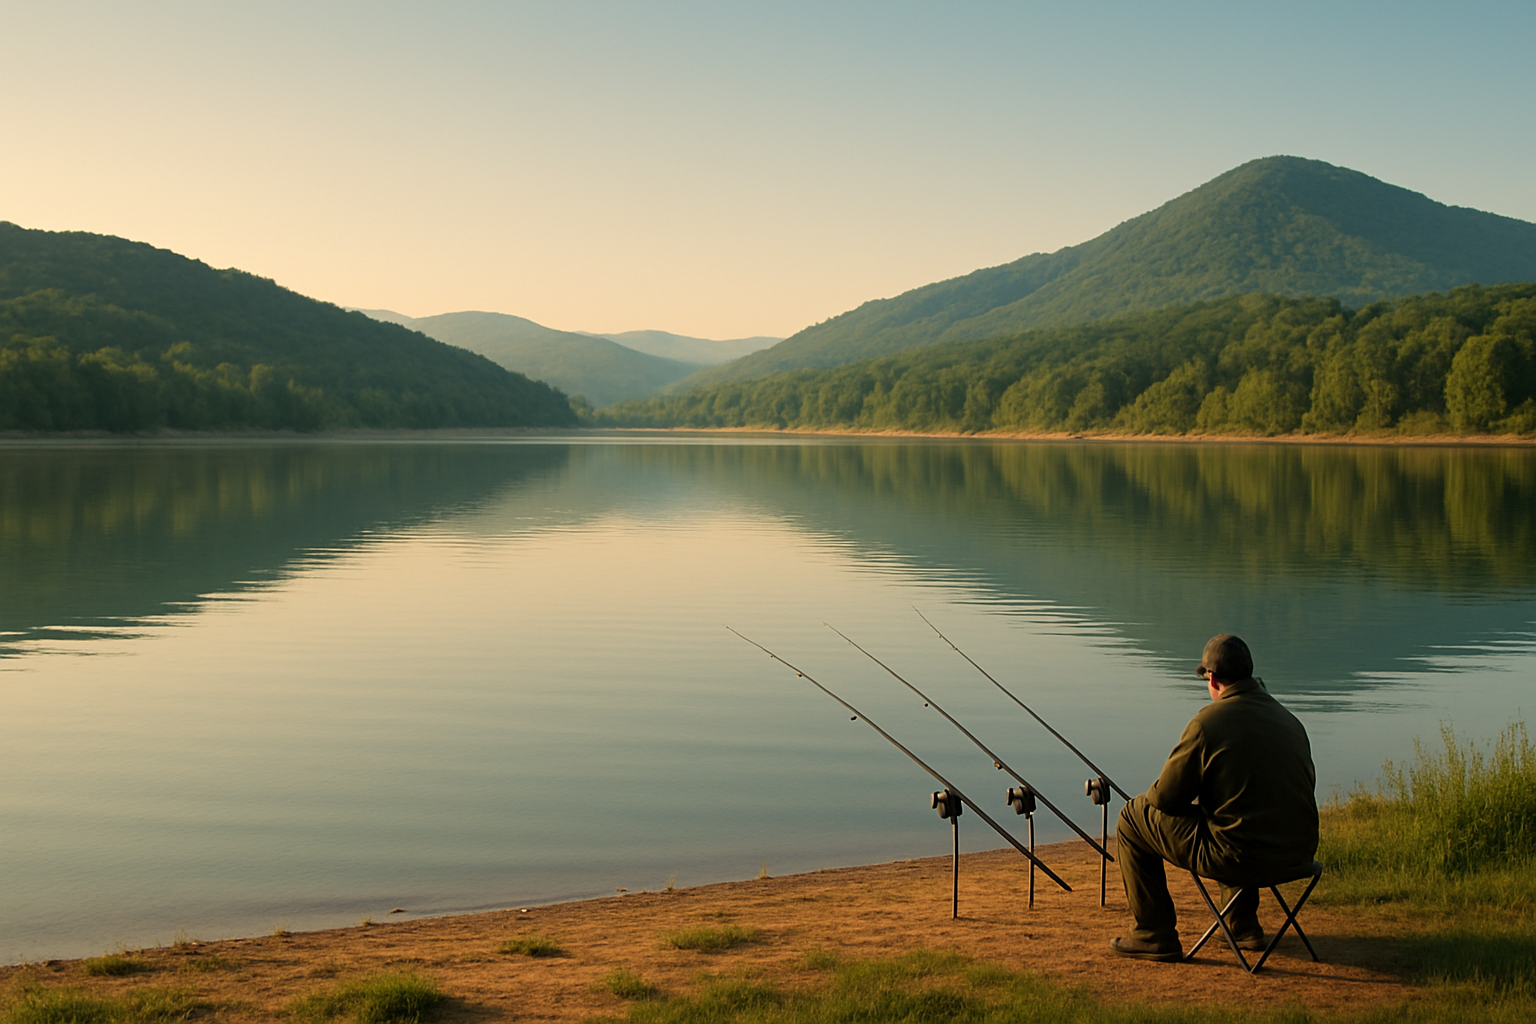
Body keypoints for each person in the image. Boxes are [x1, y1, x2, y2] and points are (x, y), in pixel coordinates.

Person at [1110, 634, 1318, 962]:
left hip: (1240, 857)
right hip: (1298, 855)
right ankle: (1241, 926)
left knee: (1134, 817)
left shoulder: (1209, 722)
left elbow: (1165, 798)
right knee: (1233, 811)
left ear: (1212, 677)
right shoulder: (1289, 720)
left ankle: (1154, 933)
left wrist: (1152, 792)